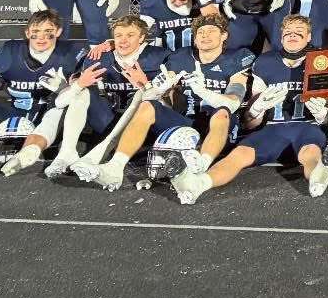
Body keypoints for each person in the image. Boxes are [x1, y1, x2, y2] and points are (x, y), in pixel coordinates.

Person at [170, 14, 328, 204]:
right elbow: (250, 123)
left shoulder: (322, 60)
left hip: (307, 128)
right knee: (238, 154)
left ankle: (317, 180)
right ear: (281, 36)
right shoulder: (265, 61)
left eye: (299, 32)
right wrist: (257, 108)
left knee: (311, 154)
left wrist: (322, 114)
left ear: (309, 36)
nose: (292, 35)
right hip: (272, 129)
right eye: (288, 32)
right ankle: (198, 185)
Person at [95, 13, 253, 190]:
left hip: (220, 127)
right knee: (147, 106)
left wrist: (203, 91)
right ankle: (115, 166)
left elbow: (233, 103)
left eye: (211, 31)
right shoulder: (182, 57)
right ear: (194, 38)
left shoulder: (237, 58)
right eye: (200, 32)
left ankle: (200, 165)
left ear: (224, 35)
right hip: (186, 124)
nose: (205, 35)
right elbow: (154, 93)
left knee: (222, 112)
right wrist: (149, 87)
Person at [0, 9, 83, 180]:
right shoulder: (10, 52)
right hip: (16, 108)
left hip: (48, 111)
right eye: (36, 32)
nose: (41, 38)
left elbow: (81, 96)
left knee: (58, 111)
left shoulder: (70, 54)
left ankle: (28, 153)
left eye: (48, 32)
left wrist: (63, 88)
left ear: (58, 32)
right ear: (27, 33)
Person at [64, 15, 171, 188]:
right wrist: (78, 84)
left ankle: (98, 156)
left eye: (130, 35)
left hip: (144, 126)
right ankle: (66, 154)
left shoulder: (160, 57)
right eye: (119, 35)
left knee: (143, 97)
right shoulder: (98, 56)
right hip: (107, 120)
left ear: (142, 38)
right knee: (82, 91)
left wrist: (146, 85)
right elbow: (68, 94)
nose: (123, 40)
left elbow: (170, 102)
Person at [140, 0, 217, 53]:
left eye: (183, 0)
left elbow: (214, 20)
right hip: (169, 55)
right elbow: (140, 32)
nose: (177, 3)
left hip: (200, 55)